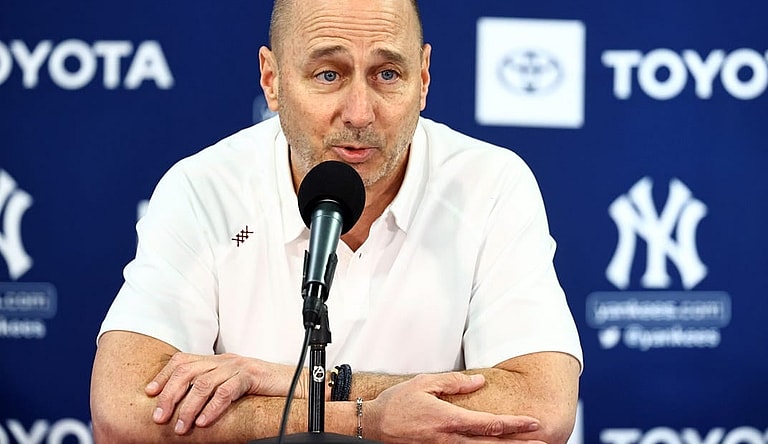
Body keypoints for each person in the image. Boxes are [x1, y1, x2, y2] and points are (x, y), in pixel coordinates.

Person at [89, 0, 583, 442]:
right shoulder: (204, 188)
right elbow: (125, 407)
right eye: (329, 74)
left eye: (388, 74)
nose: (360, 112)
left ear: (424, 78)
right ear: (273, 80)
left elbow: (540, 405)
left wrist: (292, 381)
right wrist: (367, 419)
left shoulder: (490, 184)